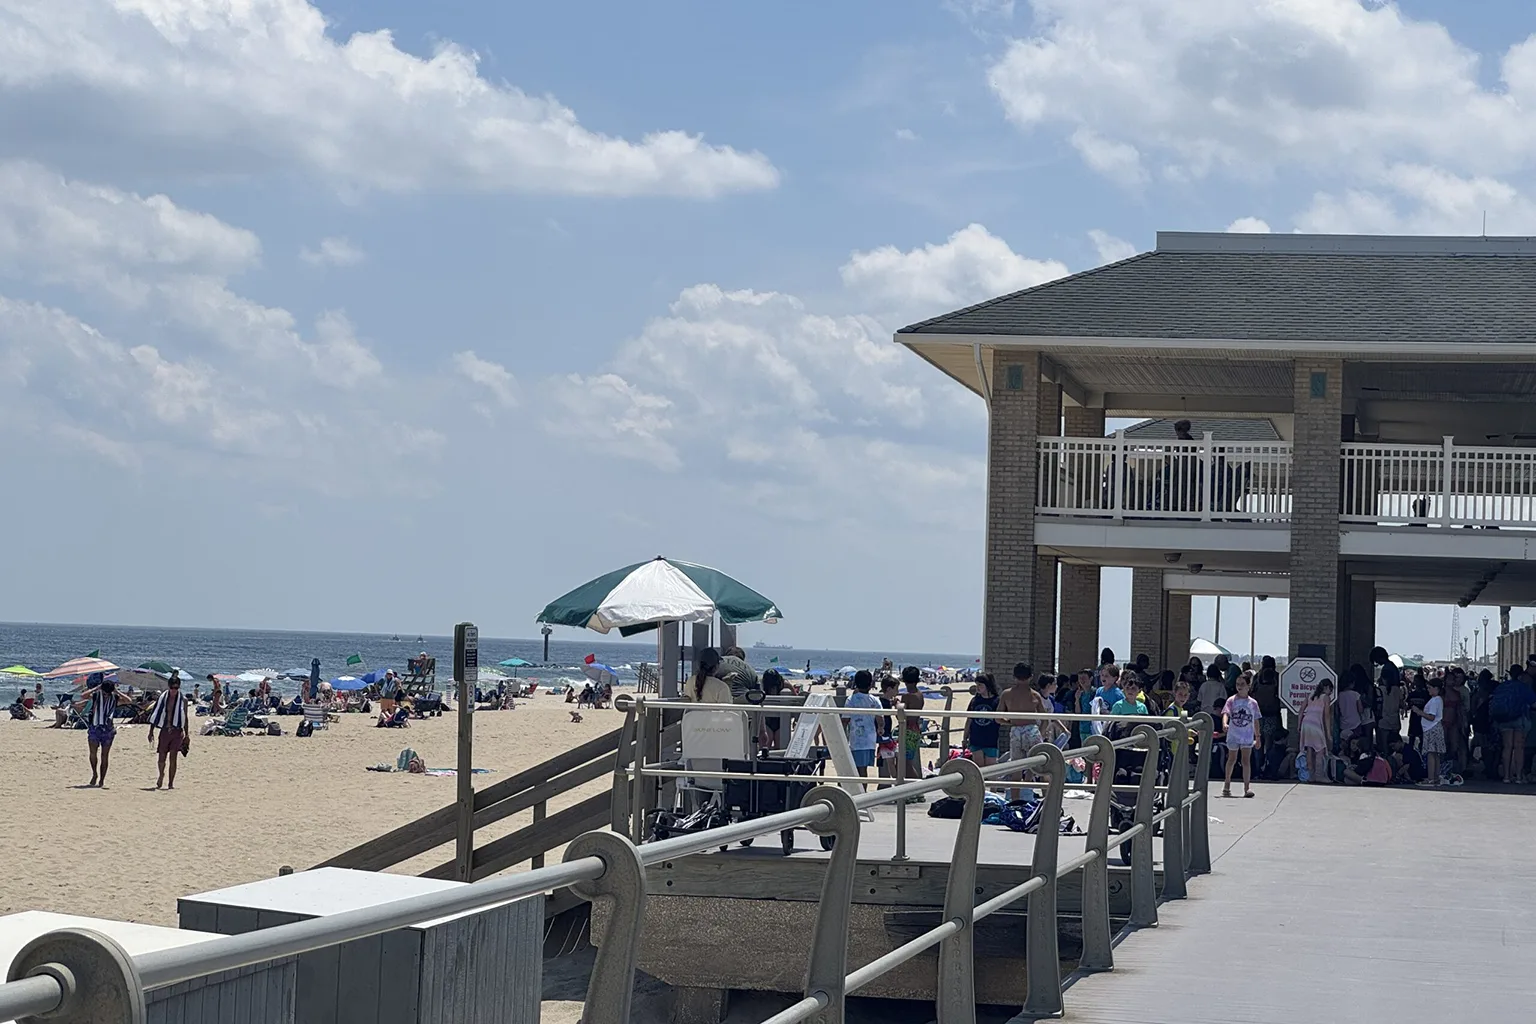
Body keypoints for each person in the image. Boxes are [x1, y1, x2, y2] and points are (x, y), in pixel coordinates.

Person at [1000, 662, 1046, 798]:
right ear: (1030, 677)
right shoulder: (1035, 695)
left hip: (1015, 730)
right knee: (1040, 765)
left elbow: (997, 717)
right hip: (1032, 729)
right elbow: (1046, 718)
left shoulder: (1007, 694)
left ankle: (1015, 800)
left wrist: (1010, 723)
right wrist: (1041, 733)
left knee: (1016, 767)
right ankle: (1046, 798)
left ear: (1014, 677)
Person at [1490, 666, 1536, 784]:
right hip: (1519, 718)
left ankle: (1506, 776)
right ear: (1521, 675)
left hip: (1504, 719)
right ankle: (1519, 777)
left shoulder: (1502, 686)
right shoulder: (1523, 687)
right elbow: (1533, 703)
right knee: (1519, 748)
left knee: (1507, 747)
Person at [1222, 675, 1261, 798]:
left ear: (1248, 686)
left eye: (1242, 684)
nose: (1239, 687)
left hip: (1247, 735)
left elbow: (1256, 720)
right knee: (1232, 759)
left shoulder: (1253, 703)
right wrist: (1224, 723)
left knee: (1246, 760)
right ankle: (1227, 784)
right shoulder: (1231, 700)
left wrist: (1258, 736)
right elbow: (1226, 712)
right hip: (1234, 734)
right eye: (1237, 684)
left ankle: (1247, 787)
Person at [147, 675, 188, 790]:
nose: (174, 690)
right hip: (165, 730)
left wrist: (187, 735)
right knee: (161, 758)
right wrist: (151, 731)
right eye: (172, 687)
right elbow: (155, 714)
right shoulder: (162, 699)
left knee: (173, 758)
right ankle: (161, 775)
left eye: (176, 688)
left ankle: (170, 783)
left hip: (177, 731)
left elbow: (185, 718)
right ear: (169, 687)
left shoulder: (183, 700)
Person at [81, 677, 122, 787]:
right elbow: (83, 696)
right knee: (93, 754)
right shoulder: (96, 695)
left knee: (105, 755)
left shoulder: (114, 697)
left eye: (108, 693)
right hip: (95, 727)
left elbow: (129, 700)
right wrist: (97, 688)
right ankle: (94, 773)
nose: (106, 695)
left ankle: (102, 779)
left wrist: (116, 691)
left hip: (108, 730)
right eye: (104, 693)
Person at [843, 671, 881, 777]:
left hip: (856, 741)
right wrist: (880, 728)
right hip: (870, 740)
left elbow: (845, 720)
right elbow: (880, 718)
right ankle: (863, 791)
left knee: (855, 770)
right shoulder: (875, 700)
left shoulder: (851, 700)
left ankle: (860, 792)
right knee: (863, 769)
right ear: (870, 684)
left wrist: (843, 735)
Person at [1410, 677, 1446, 787]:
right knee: (1435, 754)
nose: (1428, 690)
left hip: (1432, 728)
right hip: (1434, 727)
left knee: (1431, 753)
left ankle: (1431, 778)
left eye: (1430, 688)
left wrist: (1419, 712)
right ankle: (1435, 777)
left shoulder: (1435, 701)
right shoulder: (1437, 700)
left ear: (1436, 688)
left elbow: (1431, 717)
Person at [1298, 679, 1334, 783]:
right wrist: (1328, 733)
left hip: (1306, 723)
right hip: (1315, 724)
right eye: (1330, 690)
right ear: (1327, 688)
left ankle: (1311, 776)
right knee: (1320, 750)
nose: (1331, 693)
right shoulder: (1326, 698)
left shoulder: (1310, 695)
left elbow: (1301, 710)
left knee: (1309, 749)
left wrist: (1299, 725)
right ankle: (1319, 776)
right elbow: (1327, 715)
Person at [964, 674, 1001, 767]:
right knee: (979, 767)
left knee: (991, 769)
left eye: (980, 685)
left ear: (987, 686)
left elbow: (1000, 719)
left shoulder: (996, 701)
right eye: (977, 685)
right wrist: (965, 737)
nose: (978, 688)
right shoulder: (975, 701)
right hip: (976, 739)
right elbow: (969, 720)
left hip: (991, 739)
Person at [899, 666, 926, 784]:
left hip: (908, 730)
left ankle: (917, 789)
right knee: (907, 761)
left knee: (905, 763)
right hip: (916, 729)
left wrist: (897, 705)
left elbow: (902, 717)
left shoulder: (907, 696)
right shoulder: (919, 694)